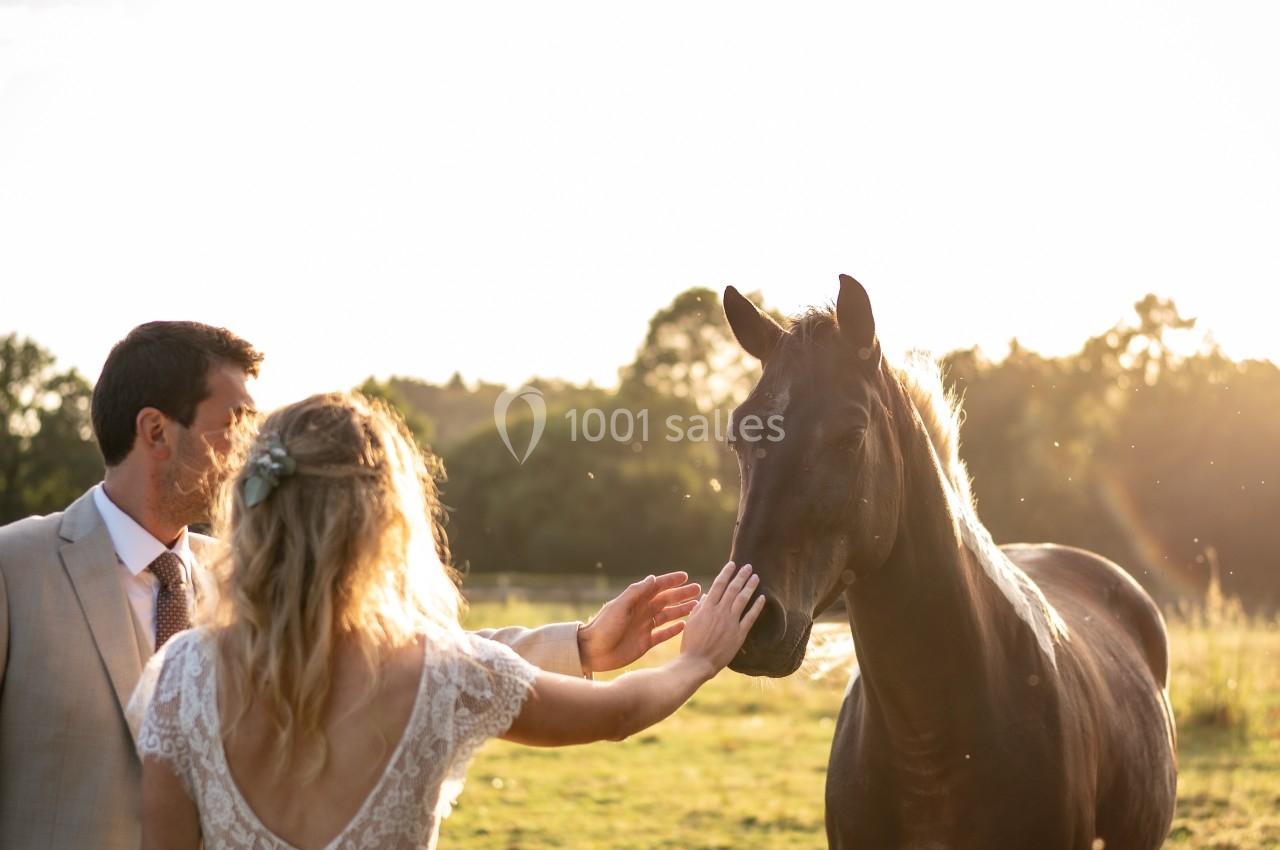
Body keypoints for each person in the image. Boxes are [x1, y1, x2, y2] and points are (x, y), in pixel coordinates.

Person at [0, 321, 699, 850]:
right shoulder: (13, 568)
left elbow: (393, 660)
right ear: (156, 431)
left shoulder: (244, 578)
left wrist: (577, 645)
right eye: (234, 422)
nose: (254, 450)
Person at [133, 392, 763, 849]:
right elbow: (618, 714)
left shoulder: (180, 679)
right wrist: (697, 661)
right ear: (385, 525)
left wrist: (586, 645)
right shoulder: (442, 671)